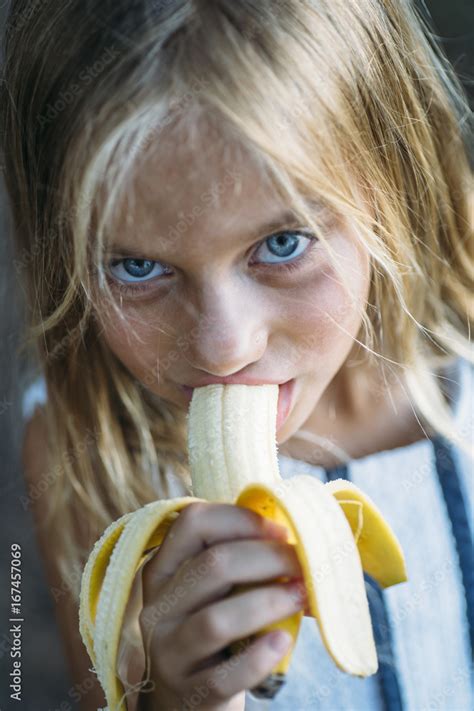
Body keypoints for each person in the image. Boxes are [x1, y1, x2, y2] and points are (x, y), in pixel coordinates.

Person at [2, 1, 472, 709]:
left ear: (391, 182)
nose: (224, 347)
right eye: (136, 267)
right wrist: (173, 696)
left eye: (282, 244)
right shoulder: (85, 451)